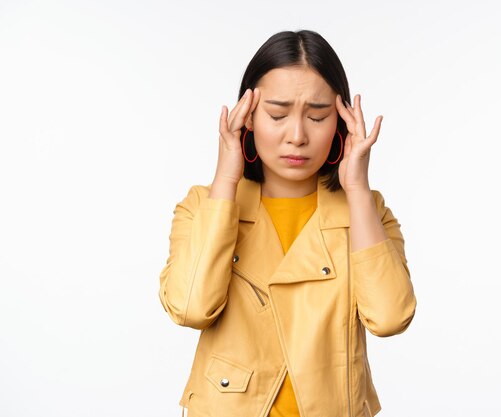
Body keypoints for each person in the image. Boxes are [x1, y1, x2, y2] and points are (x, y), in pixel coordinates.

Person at [158, 29, 417, 417]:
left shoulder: (367, 211)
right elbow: (191, 308)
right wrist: (226, 181)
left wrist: (358, 190)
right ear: (247, 117)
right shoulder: (203, 206)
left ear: (341, 124)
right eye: (277, 114)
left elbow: (390, 317)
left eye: (317, 116)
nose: (297, 136)